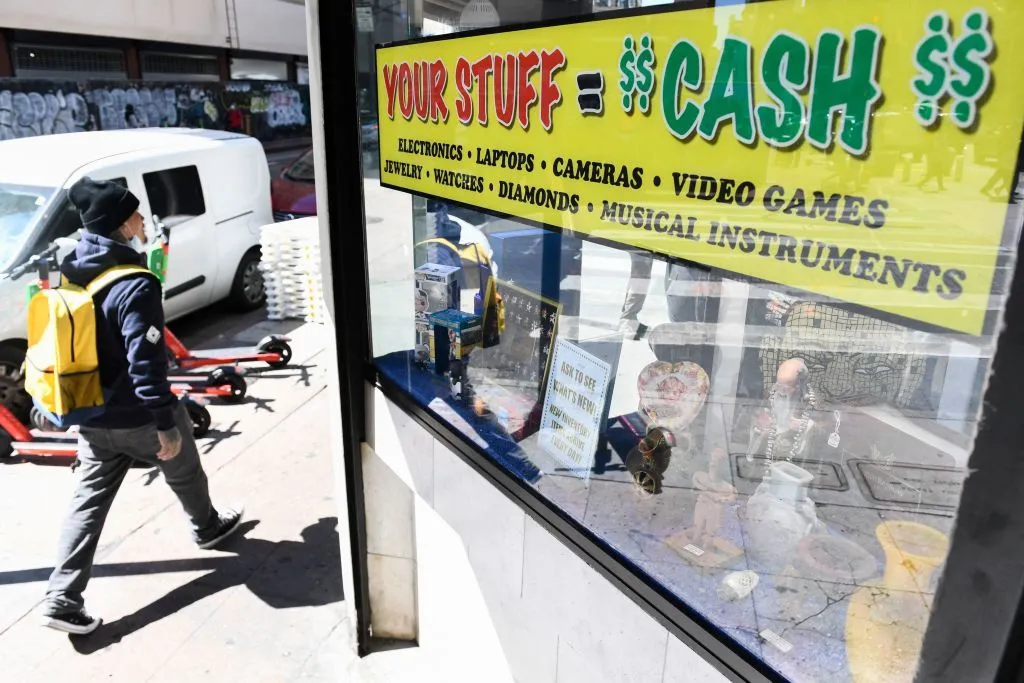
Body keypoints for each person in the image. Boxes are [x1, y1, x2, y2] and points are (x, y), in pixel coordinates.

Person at [40, 178, 242, 635]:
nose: (142, 220)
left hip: (88, 411)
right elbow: (145, 363)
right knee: (183, 464)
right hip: (135, 415)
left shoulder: (71, 268)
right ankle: (207, 526)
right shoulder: (134, 284)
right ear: (121, 224)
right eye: (135, 214)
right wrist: (164, 423)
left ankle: (61, 597)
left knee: (88, 503)